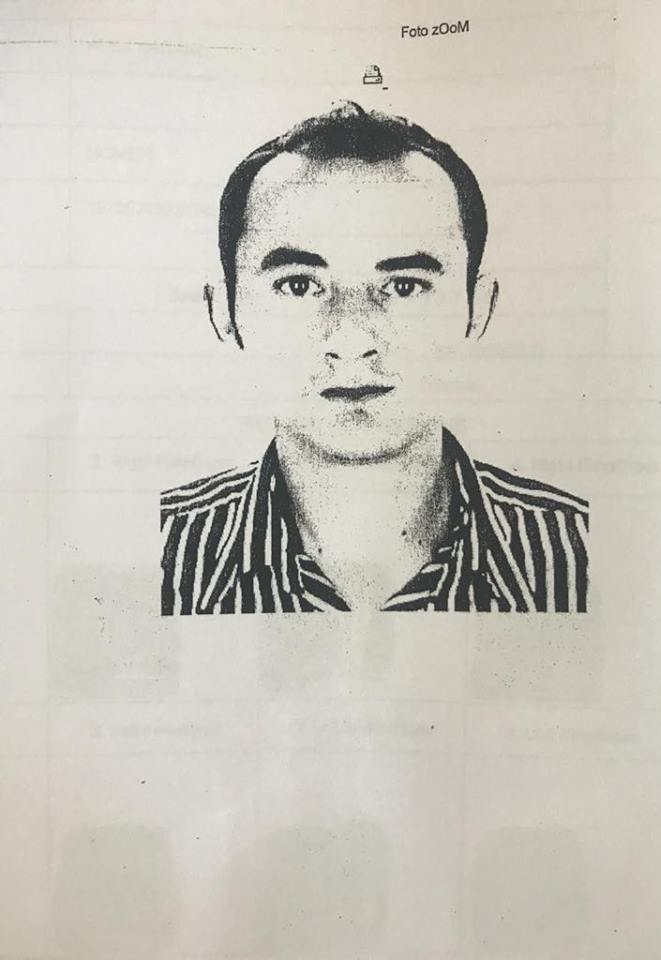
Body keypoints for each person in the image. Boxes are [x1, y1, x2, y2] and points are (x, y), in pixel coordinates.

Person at [161, 101, 588, 614]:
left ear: (478, 308)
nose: (351, 338)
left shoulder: (583, 550)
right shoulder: (156, 552)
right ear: (224, 311)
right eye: (298, 285)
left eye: (404, 286)